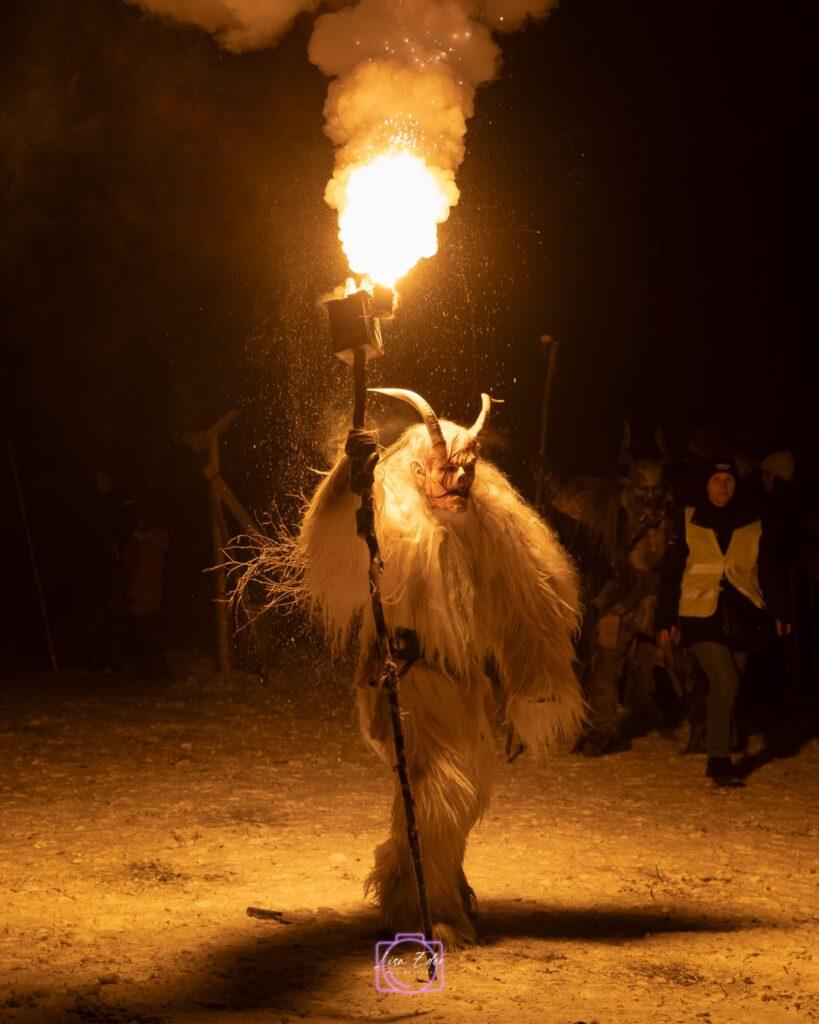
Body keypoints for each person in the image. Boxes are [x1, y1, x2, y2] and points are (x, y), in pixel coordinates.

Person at [239, 389, 582, 948]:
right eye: (445, 470)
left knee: (465, 791)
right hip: (404, 674)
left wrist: (538, 677)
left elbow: (531, 596)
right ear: (421, 468)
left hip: (464, 683)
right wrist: (346, 477)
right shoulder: (390, 513)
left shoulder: (491, 523)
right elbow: (335, 545)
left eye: (467, 469)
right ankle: (418, 907)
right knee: (435, 786)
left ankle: (438, 880)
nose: (457, 482)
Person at [655, 458, 790, 786]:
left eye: (728, 480)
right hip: (700, 614)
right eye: (716, 480)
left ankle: (721, 737)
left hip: (743, 615)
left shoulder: (753, 521)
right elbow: (671, 573)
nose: (723, 486)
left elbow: (768, 570)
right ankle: (718, 760)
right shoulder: (688, 519)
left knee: (731, 686)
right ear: (706, 484)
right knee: (725, 681)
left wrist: (780, 611)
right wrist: (665, 618)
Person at [123, 505, 170, 676]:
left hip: (143, 598)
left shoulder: (148, 545)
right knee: (148, 635)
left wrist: (131, 592)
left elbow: (143, 572)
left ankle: (151, 670)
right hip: (149, 596)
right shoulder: (146, 544)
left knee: (145, 636)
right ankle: (152, 668)